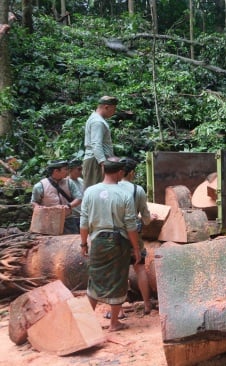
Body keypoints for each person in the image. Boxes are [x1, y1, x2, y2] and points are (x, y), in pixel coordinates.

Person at [80, 157, 141, 332]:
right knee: (118, 280)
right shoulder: (124, 194)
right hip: (118, 242)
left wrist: (83, 244)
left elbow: (83, 222)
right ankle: (114, 323)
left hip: (97, 240)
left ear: (103, 170)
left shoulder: (90, 192)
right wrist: (136, 248)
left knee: (95, 279)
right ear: (120, 172)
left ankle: (86, 324)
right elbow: (130, 225)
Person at [117, 157, 157, 316]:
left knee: (119, 272)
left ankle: (118, 311)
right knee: (139, 269)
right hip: (133, 234)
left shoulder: (111, 188)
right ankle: (147, 305)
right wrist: (148, 218)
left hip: (114, 236)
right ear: (132, 172)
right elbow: (146, 219)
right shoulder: (137, 190)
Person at [31, 159, 83, 234]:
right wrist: (39, 208)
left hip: (68, 220)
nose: (67, 171)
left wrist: (69, 206)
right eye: (65, 169)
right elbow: (34, 202)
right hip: (49, 221)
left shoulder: (69, 182)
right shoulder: (40, 186)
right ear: (56, 171)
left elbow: (79, 198)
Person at [82, 95, 119, 190]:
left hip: (97, 160)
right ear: (106, 107)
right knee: (95, 191)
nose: (114, 112)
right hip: (96, 161)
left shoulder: (96, 119)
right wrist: (103, 163)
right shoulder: (97, 122)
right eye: (113, 109)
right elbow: (96, 144)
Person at [67, 159, 84, 233]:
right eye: (79, 169)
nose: (81, 172)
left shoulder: (81, 180)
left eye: (81, 169)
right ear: (70, 170)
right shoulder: (66, 183)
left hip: (83, 215)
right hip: (73, 216)